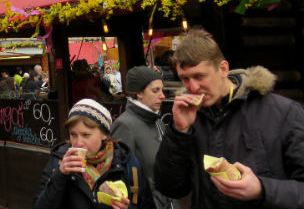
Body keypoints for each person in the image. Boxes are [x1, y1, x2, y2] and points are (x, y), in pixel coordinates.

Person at [154, 29, 304, 209]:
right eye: (185, 79)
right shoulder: (189, 118)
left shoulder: (283, 112)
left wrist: (261, 189)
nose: (192, 87)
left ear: (223, 69)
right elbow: (170, 188)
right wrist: (179, 132)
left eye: (200, 76)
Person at [33, 99, 154, 209]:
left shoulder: (127, 163)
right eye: (73, 134)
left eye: (86, 135)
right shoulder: (58, 162)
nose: (78, 143)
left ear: (104, 134)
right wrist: (61, 175)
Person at [111, 66, 175, 209]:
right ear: (139, 93)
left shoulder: (157, 120)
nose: (163, 95)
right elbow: (120, 180)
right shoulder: (124, 125)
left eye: (162, 90)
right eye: (155, 90)